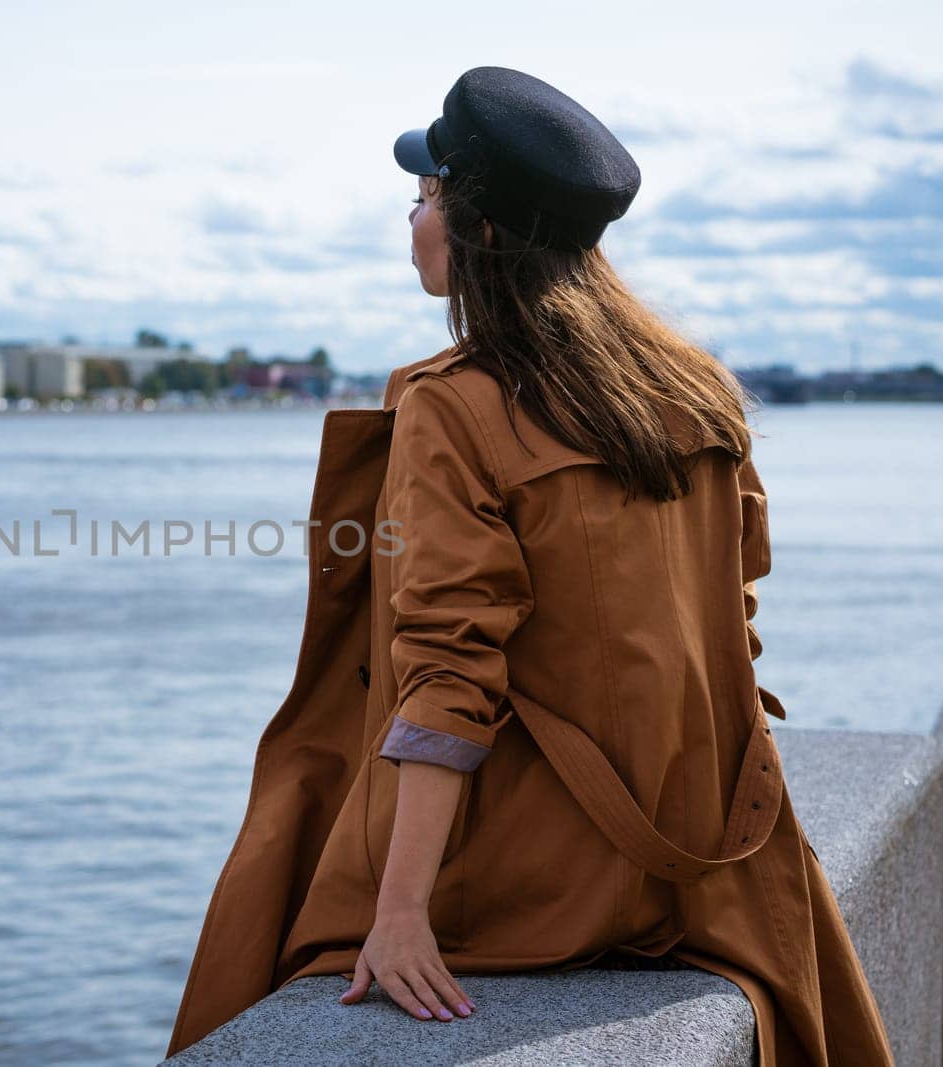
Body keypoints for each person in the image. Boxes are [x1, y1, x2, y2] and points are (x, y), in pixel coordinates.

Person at [165, 66, 894, 1066]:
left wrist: (402, 911)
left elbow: (449, 671)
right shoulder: (695, 393)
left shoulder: (454, 406)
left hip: (532, 884)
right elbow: (733, 628)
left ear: (482, 233)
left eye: (424, 198)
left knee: (271, 933)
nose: (410, 219)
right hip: (695, 869)